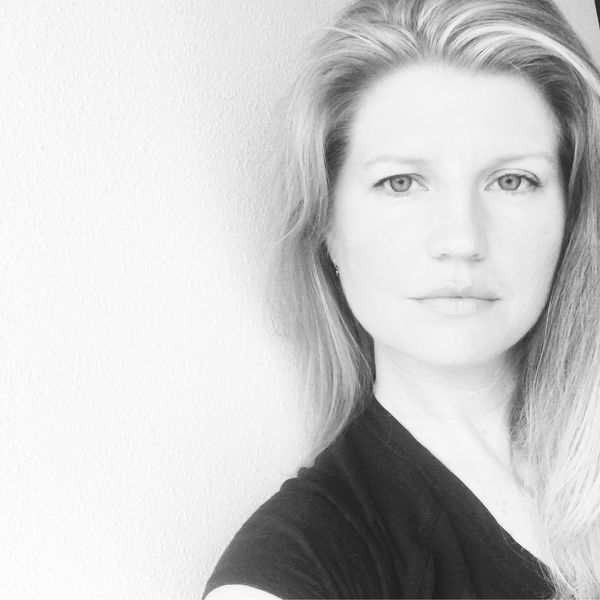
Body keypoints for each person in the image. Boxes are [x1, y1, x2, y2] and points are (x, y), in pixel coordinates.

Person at [204, 0, 600, 597]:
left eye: (511, 180)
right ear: (327, 225)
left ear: (572, 216)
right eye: (401, 183)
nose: (462, 240)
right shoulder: (297, 564)